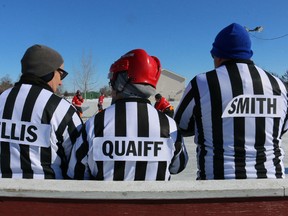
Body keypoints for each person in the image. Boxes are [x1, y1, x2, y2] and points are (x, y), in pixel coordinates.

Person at [174, 23, 288, 180]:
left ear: (218, 55)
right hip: (271, 185)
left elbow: (181, 125)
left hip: (217, 186)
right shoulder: (278, 85)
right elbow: (280, 129)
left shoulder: (202, 82)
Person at [67, 49, 188, 181]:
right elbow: (178, 166)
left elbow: (76, 172)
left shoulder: (94, 124)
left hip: (107, 201)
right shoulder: (169, 125)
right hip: (154, 201)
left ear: (120, 83)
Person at [0, 44, 83, 179]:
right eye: (61, 74)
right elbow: (78, 161)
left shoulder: (2, 99)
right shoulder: (60, 108)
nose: (61, 82)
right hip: (48, 195)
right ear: (48, 72)